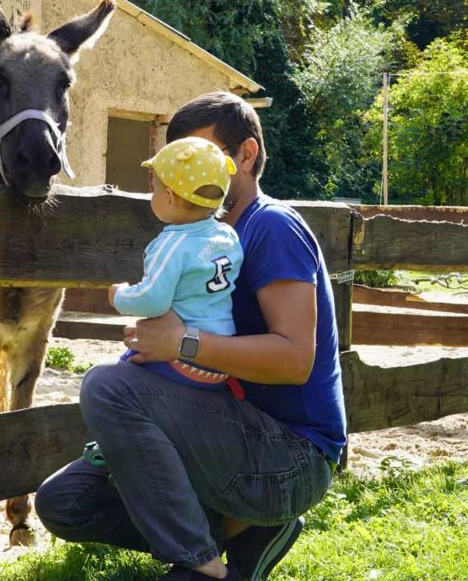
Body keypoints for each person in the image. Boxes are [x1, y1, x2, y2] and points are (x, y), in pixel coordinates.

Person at [36, 92, 346, 581]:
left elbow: (295, 360)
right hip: (227, 427)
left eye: (201, 157)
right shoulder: (200, 234)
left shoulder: (272, 227)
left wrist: (180, 344)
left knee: (106, 386)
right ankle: (240, 533)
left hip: (291, 456)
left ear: (246, 155)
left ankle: (201, 566)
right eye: (176, 161)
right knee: (66, 502)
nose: (186, 173)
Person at [109, 136, 243, 389]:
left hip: (180, 360)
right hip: (218, 357)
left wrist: (119, 295)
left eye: (155, 190)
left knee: (113, 380)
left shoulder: (173, 244)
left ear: (169, 196)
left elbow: (153, 300)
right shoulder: (227, 235)